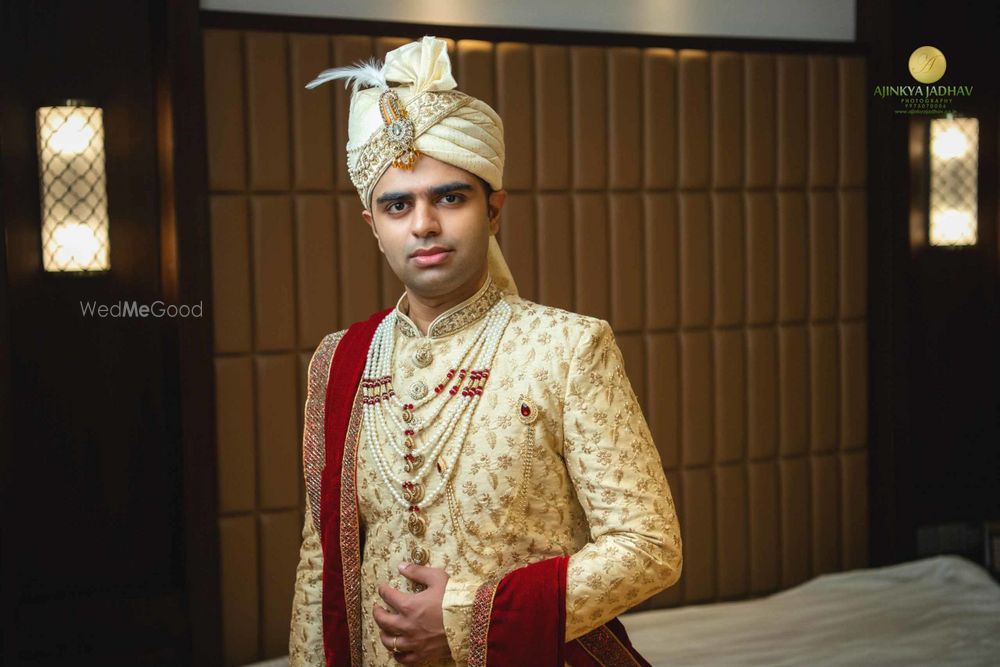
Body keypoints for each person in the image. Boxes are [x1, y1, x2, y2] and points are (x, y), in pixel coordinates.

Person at [289, 35, 682, 667]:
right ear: (373, 227)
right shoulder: (339, 361)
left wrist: (465, 616)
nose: (424, 224)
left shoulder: (567, 348)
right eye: (397, 205)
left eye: (450, 196)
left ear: (493, 210)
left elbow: (649, 546)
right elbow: (321, 570)